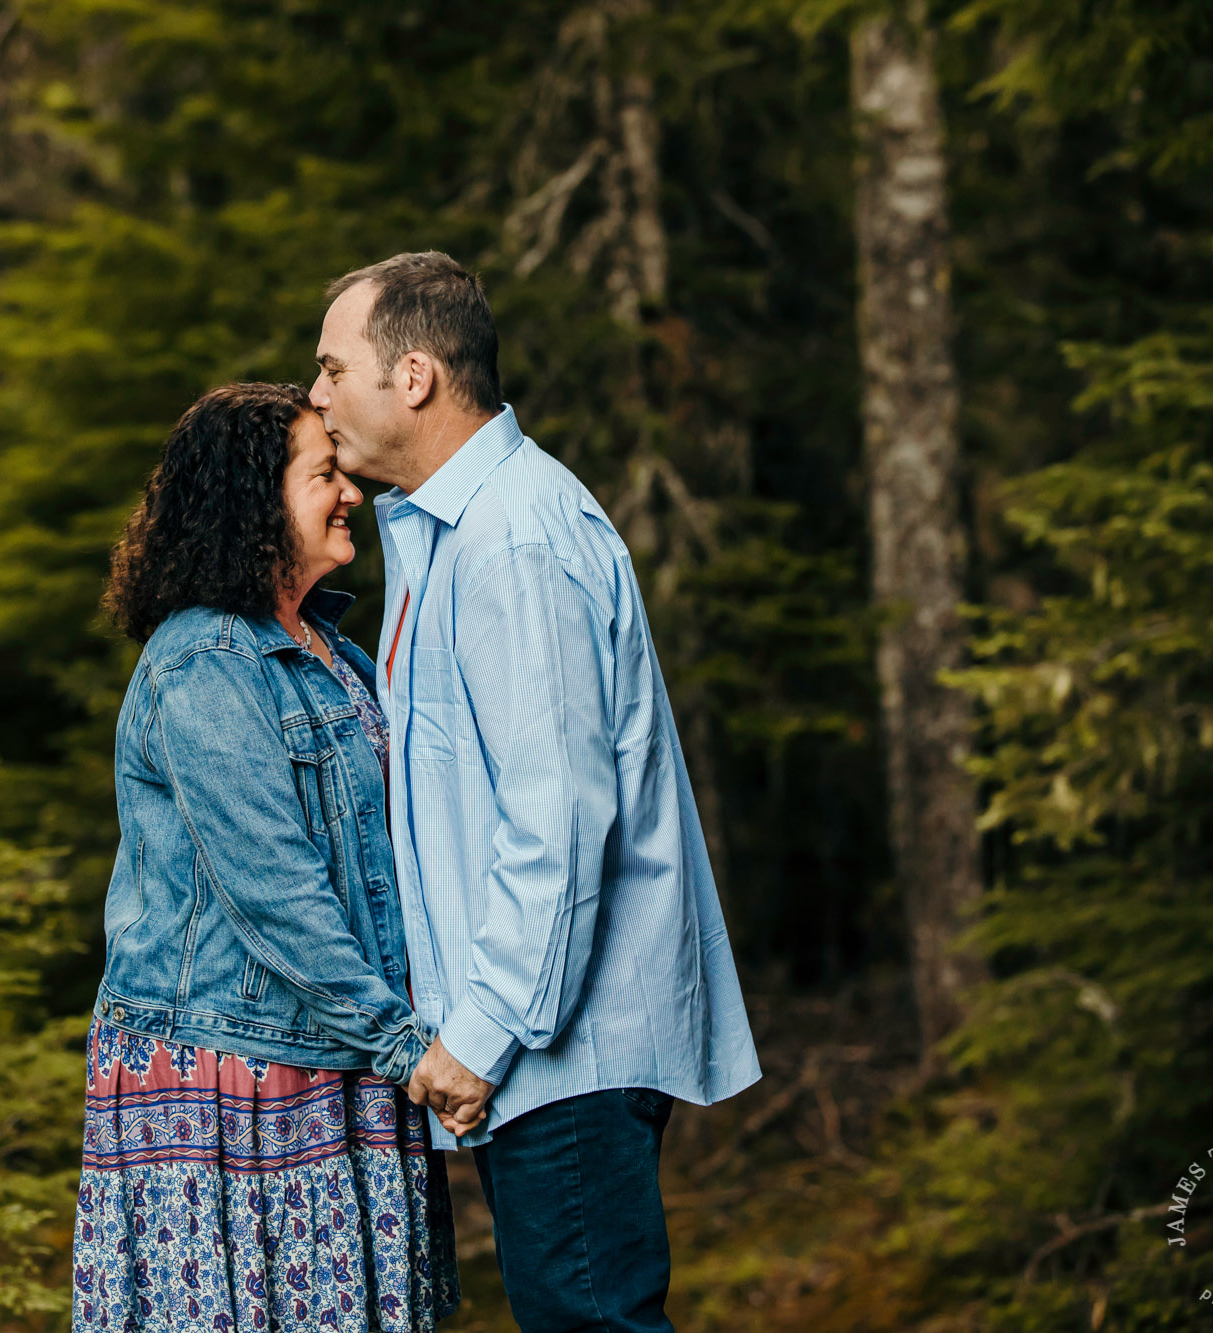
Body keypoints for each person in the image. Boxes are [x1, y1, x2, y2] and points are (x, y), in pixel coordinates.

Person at [309, 252, 763, 1333]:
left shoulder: (513, 536)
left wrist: (480, 1031)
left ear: (412, 375)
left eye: (331, 367)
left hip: (563, 1045)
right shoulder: (447, 532)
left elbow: (559, 818)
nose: (316, 394)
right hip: (541, 1045)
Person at [73, 382, 459, 1331]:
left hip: (341, 1053)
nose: (350, 493)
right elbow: (274, 888)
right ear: (253, 505)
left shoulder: (331, 648)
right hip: (233, 1071)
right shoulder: (205, 660)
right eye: (323, 474)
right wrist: (407, 1046)